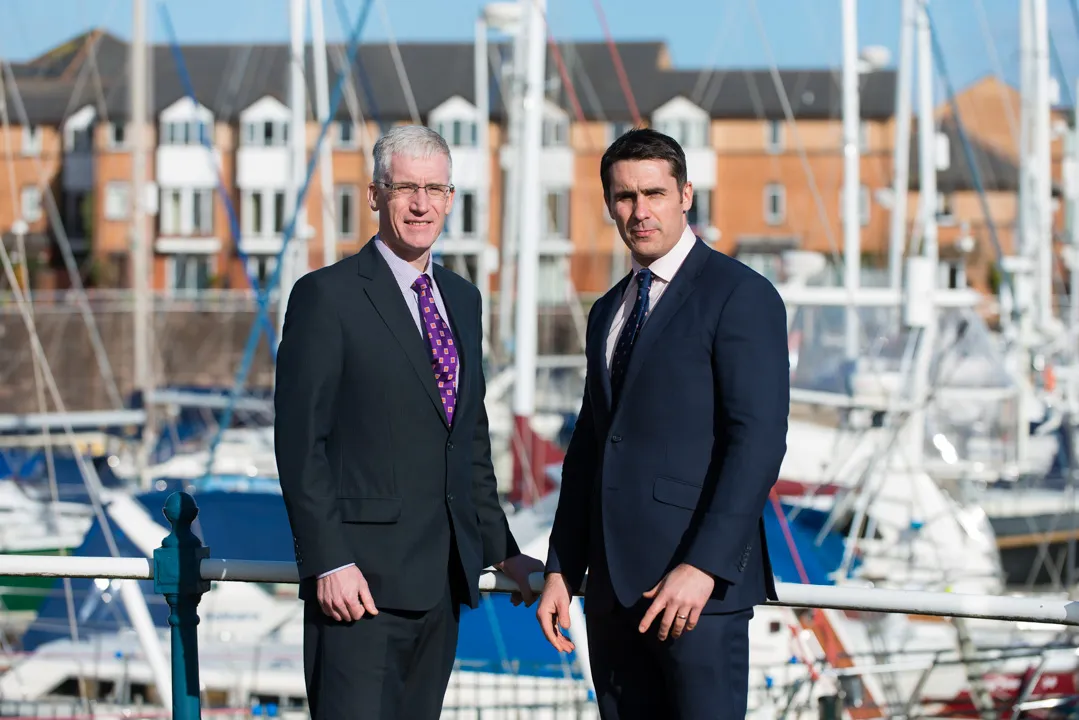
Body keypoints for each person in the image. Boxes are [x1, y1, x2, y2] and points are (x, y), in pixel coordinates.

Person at [274, 124, 543, 719]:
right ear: (375, 195)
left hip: (443, 588)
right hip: (358, 589)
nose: (420, 204)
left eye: (434, 189)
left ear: (451, 199)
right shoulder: (326, 297)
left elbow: (467, 441)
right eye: (405, 189)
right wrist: (328, 560)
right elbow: (300, 445)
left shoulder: (463, 300)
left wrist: (502, 549)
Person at [535, 128, 789, 719]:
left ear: (686, 195)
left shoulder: (740, 295)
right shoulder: (608, 310)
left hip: (697, 593)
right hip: (610, 595)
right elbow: (592, 448)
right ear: (609, 204)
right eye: (625, 197)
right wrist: (561, 568)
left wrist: (703, 566)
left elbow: (757, 442)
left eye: (654, 193)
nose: (640, 211)